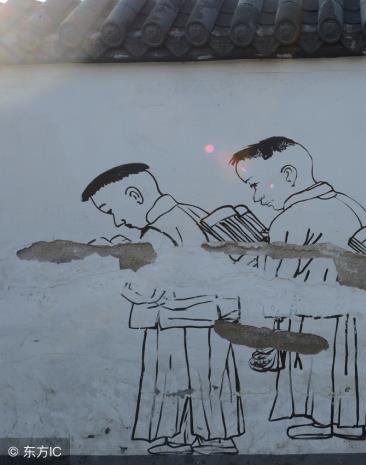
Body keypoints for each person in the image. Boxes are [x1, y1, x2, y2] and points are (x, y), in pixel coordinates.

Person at [230, 137, 366, 440]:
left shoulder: (291, 218)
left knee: (321, 367)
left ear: (288, 175)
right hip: (357, 313)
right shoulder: (350, 206)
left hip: (315, 313)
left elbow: (276, 281)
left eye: (255, 185)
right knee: (349, 366)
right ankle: (349, 422)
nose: (256, 197)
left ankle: (321, 419)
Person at [81, 163, 244, 455]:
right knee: (209, 379)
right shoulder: (191, 214)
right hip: (210, 318)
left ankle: (180, 437)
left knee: (173, 378)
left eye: (112, 210)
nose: (117, 221)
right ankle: (211, 437)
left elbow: (145, 290)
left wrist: (112, 263)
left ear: (135, 195)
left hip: (175, 320)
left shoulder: (158, 232)